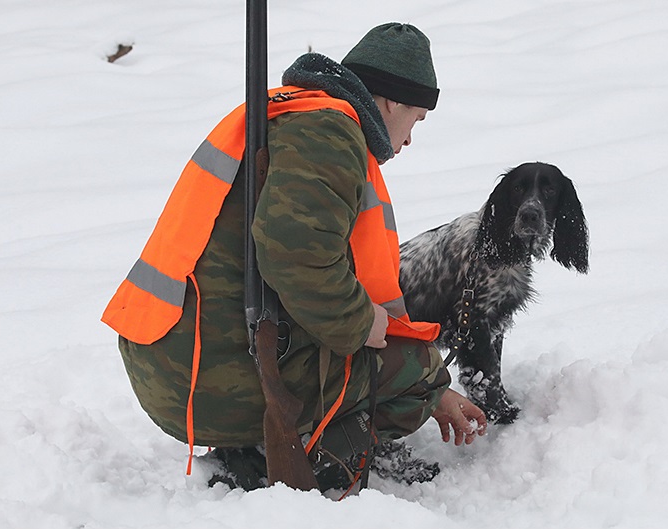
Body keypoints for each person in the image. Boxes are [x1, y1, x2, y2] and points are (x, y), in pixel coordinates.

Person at [102, 24, 486, 493]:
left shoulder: (291, 114)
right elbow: (296, 254)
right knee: (416, 367)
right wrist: (367, 329)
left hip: (173, 360)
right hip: (204, 379)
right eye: (417, 120)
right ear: (392, 102)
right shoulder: (329, 133)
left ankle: (250, 446)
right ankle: (322, 457)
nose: (409, 139)